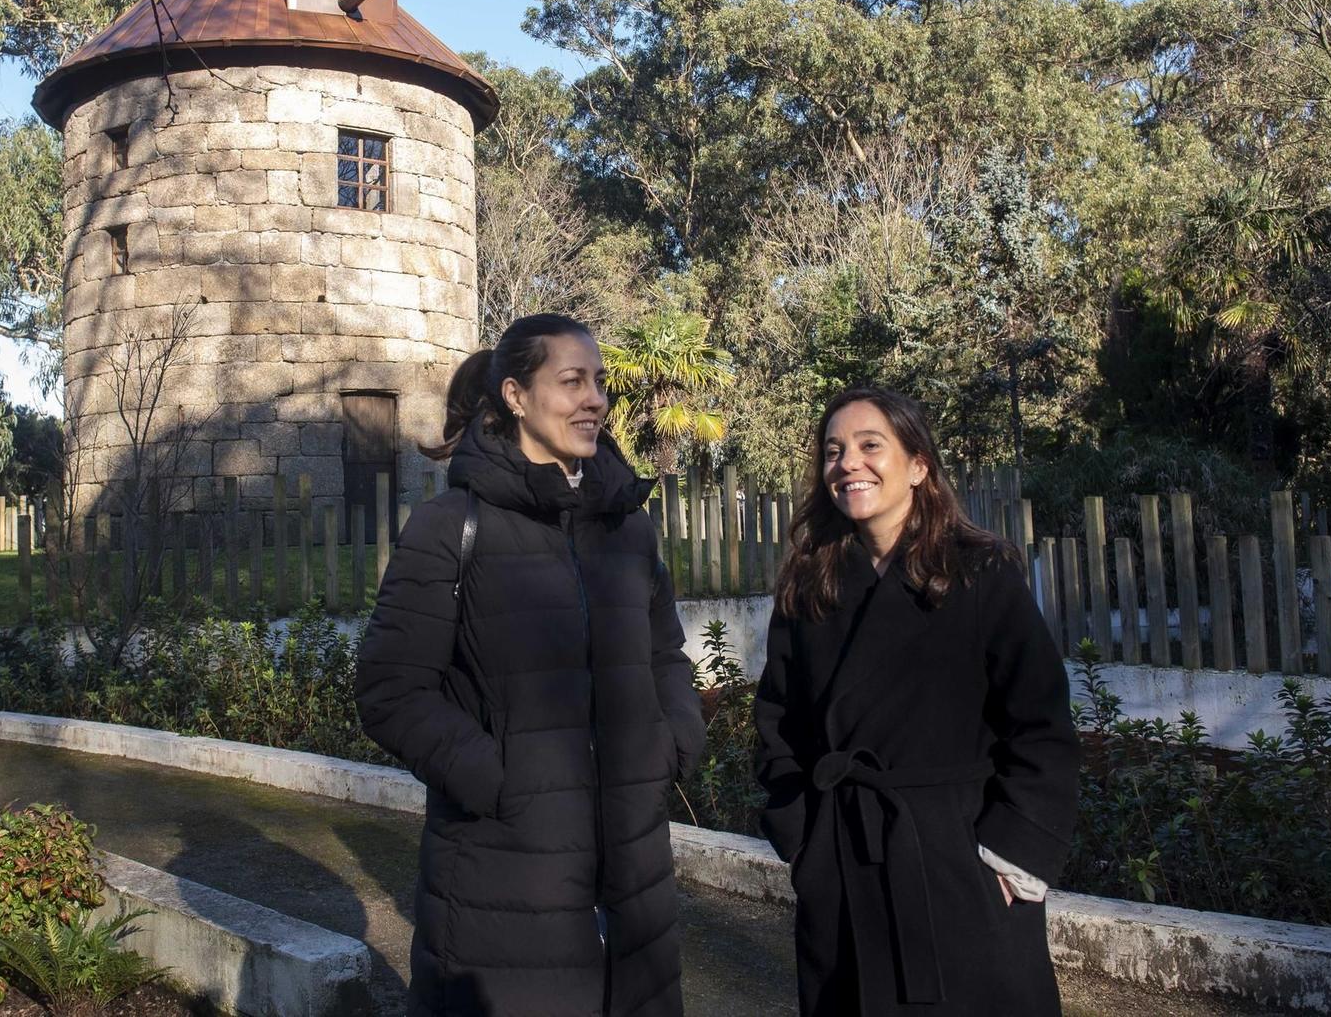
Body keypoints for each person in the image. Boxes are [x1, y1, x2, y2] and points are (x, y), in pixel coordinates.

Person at [356, 313, 706, 1017]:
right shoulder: (452, 526)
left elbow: (665, 652)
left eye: (599, 382)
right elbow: (389, 688)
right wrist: (495, 776)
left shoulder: (627, 528)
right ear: (515, 395)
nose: (595, 399)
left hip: (634, 881)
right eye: (571, 380)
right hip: (499, 885)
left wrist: (671, 742)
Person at [753, 385, 1078, 1016]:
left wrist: (1012, 853)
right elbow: (777, 723)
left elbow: (1040, 723)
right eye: (833, 450)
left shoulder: (980, 573)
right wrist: (805, 842)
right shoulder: (808, 584)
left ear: (919, 465)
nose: (848, 462)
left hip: (959, 868)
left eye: (870, 445)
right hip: (844, 865)